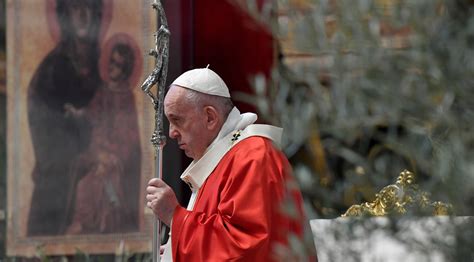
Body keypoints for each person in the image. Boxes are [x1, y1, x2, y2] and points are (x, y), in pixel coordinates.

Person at [146, 67, 317, 261]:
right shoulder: (227, 158)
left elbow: (243, 246)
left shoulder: (253, 156)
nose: (172, 133)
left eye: (177, 120)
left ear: (210, 117)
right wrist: (179, 249)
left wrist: (174, 216)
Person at [27, 0, 103, 236]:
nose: (82, 15)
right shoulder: (53, 68)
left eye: (88, 7)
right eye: (75, 7)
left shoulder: (104, 64)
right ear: (64, 15)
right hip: (58, 176)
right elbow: (45, 124)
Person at [64, 35, 142, 234]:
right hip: (97, 149)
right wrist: (76, 113)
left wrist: (112, 156)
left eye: (117, 64)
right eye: (111, 62)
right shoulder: (103, 91)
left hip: (116, 155)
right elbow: (92, 112)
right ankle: (78, 220)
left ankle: (97, 223)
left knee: (92, 182)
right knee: (76, 169)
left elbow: (129, 135)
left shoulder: (126, 97)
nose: (112, 67)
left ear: (125, 70)